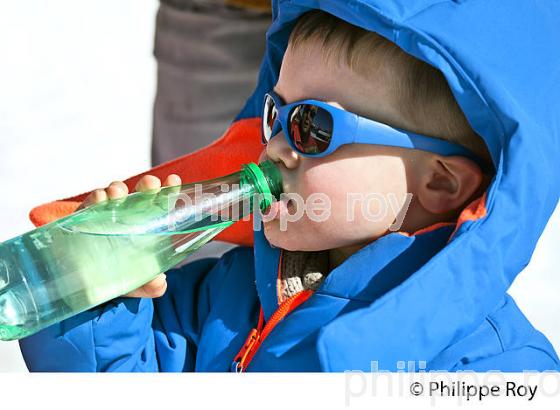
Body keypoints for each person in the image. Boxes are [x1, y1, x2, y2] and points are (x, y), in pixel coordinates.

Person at [19, 3, 560, 371]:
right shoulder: (222, 298)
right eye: (273, 112)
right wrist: (93, 297)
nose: (274, 144)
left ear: (438, 182)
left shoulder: (491, 369)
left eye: (312, 127)